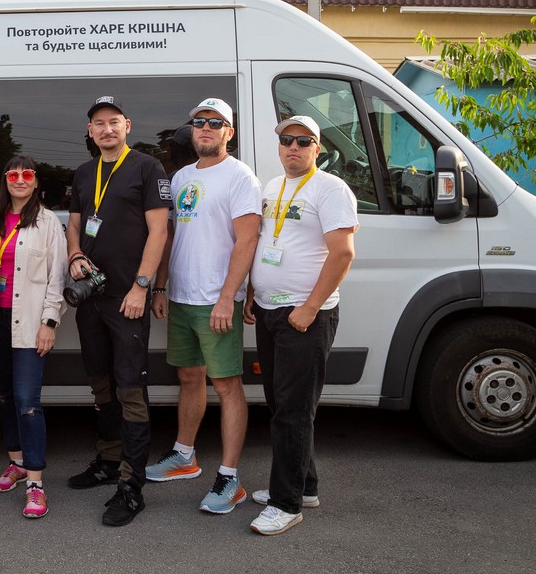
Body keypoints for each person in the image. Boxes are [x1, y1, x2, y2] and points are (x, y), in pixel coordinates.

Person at [244, 115, 358, 536]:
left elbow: (342, 253)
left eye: (303, 141)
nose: (293, 147)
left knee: (293, 412)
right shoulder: (273, 187)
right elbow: (266, 243)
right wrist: (253, 292)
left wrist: (310, 308)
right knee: (281, 405)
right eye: (287, 140)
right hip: (270, 310)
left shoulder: (331, 189)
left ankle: (286, 504)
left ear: (318, 148)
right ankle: (303, 486)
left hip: (305, 315)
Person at [149, 97, 261, 514]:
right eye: (199, 122)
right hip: (182, 296)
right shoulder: (181, 177)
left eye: (216, 123)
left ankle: (230, 478)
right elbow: (170, 238)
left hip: (217, 300)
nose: (206, 129)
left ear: (229, 132)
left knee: (227, 385)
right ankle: (184, 456)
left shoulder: (240, 177)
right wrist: (161, 287)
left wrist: (227, 297)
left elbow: (247, 240)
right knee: (189, 377)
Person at [66, 96, 170, 527]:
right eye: (98, 123)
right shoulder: (84, 172)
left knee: (130, 389)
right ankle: (109, 461)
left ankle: (132, 485)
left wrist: (142, 287)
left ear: (127, 125)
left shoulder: (148, 168)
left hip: (128, 296)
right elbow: (75, 223)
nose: (106, 129)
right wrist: (74, 254)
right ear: (90, 131)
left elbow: (159, 231)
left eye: (113, 122)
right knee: (100, 383)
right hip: (91, 295)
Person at [0, 155, 67, 519]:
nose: (20, 180)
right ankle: (16, 463)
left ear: (36, 182)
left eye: (27, 174)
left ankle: (35, 482)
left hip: (31, 321)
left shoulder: (48, 223)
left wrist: (49, 322)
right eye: (13, 174)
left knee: (27, 401)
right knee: (3, 395)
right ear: (5, 180)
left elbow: (57, 277)